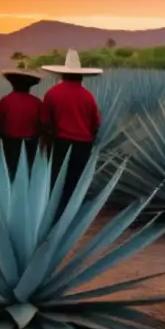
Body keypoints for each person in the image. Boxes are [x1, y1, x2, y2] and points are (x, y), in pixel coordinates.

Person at [41, 49, 103, 211]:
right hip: (83, 145)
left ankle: (54, 211)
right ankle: (72, 211)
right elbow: (95, 124)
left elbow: (45, 121)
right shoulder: (88, 96)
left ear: (63, 75)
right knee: (76, 180)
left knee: (56, 181)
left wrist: (49, 141)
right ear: (81, 76)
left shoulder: (52, 94)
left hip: (60, 143)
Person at [0, 61, 45, 177]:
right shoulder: (36, 102)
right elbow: (43, 123)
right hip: (30, 142)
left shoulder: (5, 101)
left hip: (10, 142)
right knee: (28, 170)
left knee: (10, 170)